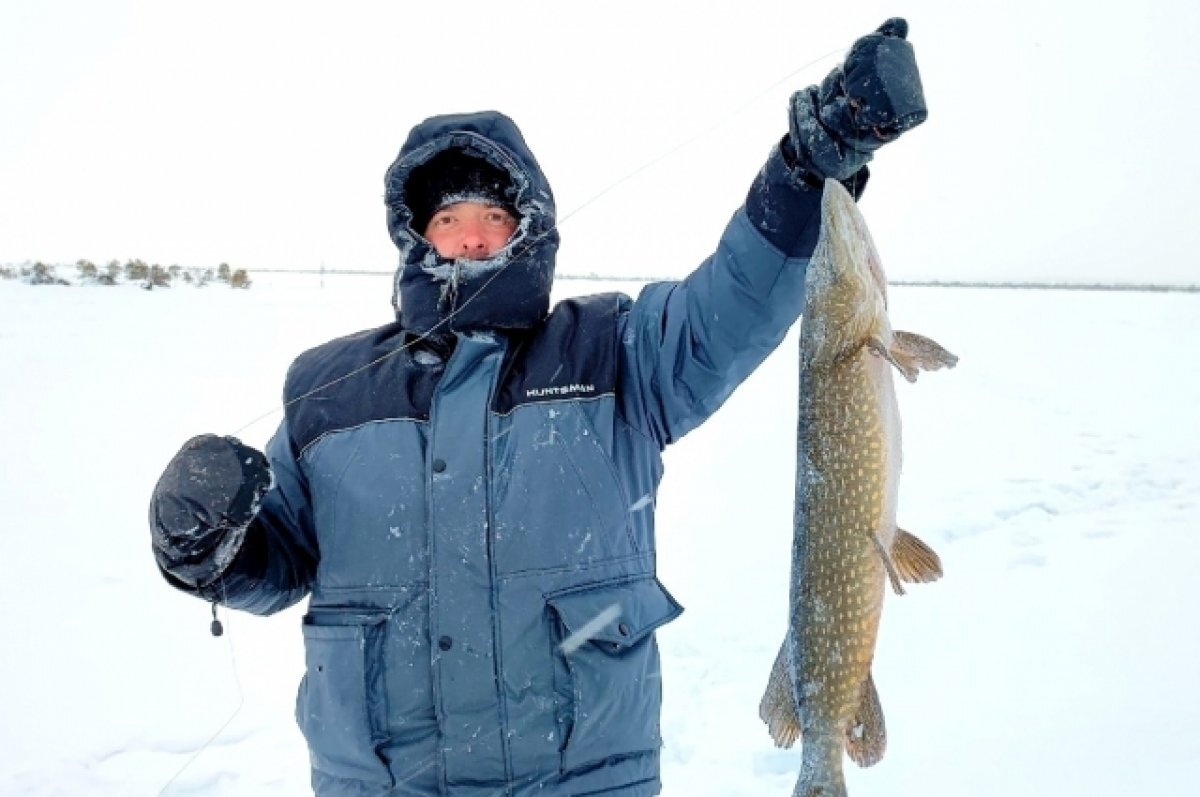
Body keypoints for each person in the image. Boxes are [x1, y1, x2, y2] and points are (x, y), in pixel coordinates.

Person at [148, 18, 927, 797]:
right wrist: (199, 541)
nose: (472, 239)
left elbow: (732, 302)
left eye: (494, 218)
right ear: (416, 236)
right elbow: (272, 561)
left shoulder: (613, 352)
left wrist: (807, 167)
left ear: (528, 230)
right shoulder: (329, 391)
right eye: (448, 220)